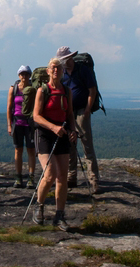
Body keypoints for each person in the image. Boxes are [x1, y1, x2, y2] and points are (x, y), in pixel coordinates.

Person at [31, 57, 77, 230]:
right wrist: (53, 127)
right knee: (50, 174)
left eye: (59, 67)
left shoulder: (67, 91)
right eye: (53, 67)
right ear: (48, 71)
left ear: (62, 71)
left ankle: (59, 215)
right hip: (44, 134)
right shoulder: (42, 91)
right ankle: (39, 206)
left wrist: (73, 130)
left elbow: (70, 114)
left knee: (62, 178)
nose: (56, 70)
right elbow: (36, 116)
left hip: (62, 133)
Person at [56, 46, 100, 192]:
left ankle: (93, 181)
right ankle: (71, 177)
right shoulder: (62, 74)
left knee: (87, 144)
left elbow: (92, 90)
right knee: (70, 144)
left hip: (82, 111)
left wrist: (87, 109)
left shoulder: (82, 70)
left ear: (71, 57)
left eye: (66, 59)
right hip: (68, 112)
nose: (64, 62)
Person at [6, 65, 36, 189]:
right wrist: (9, 124)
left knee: (31, 150)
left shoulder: (34, 89)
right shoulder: (13, 89)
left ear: (30, 76)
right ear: (19, 75)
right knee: (18, 150)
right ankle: (18, 177)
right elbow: (9, 107)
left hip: (30, 123)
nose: (24, 77)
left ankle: (31, 178)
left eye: (27, 74)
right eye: (22, 74)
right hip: (17, 123)